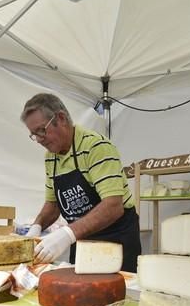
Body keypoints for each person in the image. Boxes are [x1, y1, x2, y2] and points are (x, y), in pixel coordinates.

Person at [20, 93, 142, 271]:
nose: (39, 139)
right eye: (34, 135)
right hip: (81, 239)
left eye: (41, 130)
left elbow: (113, 206)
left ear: (60, 118)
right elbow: (53, 205)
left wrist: (67, 234)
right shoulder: (51, 157)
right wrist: (36, 228)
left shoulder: (96, 147)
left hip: (115, 241)